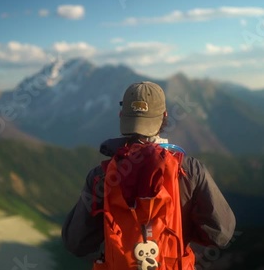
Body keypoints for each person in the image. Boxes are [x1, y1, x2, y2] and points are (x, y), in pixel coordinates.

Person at [62, 81, 236, 266]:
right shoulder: (189, 170)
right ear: (165, 117)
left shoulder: (101, 176)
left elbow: (76, 242)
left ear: (122, 116)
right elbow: (221, 233)